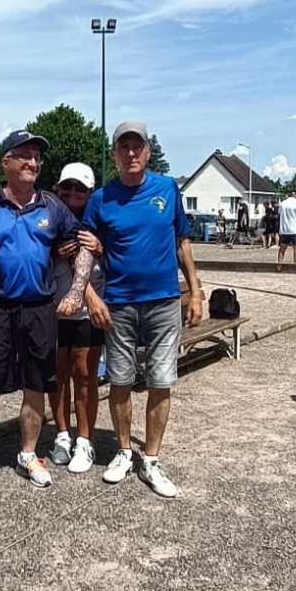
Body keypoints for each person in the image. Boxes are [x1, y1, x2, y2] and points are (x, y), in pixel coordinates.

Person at [0, 130, 94, 496]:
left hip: (39, 308)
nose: (33, 162)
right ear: (6, 162)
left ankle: (28, 455)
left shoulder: (53, 206)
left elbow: (85, 246)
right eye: (25, 155)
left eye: (37, 157)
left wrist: (76, 292)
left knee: (35, 385)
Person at [82, 121, 203, 498]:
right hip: (118, 303)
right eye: (124, 147)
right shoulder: (101, 199)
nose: (131, 153)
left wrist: (196, 291)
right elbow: (85, 251)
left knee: (161, 381)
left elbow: (182, 241)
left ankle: (150, 459)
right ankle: (123, 451)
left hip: (164, 301)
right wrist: (90, 295)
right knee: (120, 381)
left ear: (148, 153)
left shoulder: (166, 189)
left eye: (137, 146)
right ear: (114, 154)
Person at [49, 162, 108, 474]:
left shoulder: (100, 220)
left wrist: (101, 249)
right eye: (67, 186)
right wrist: (53, 254)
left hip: (87, 313)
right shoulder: (48, 217)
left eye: (80, 188)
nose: (72, 192)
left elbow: (119, 262)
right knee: (57, 376)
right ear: (58, 188)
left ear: (90, 192)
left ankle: (85, 440)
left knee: (84, 375)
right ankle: (62, 435)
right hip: (54, 309)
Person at [276, 191, 296, 270]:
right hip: (295, 229)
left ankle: (279, 265)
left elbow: (279, 214)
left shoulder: (282, 203)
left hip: (284, 229)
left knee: (282, 247)